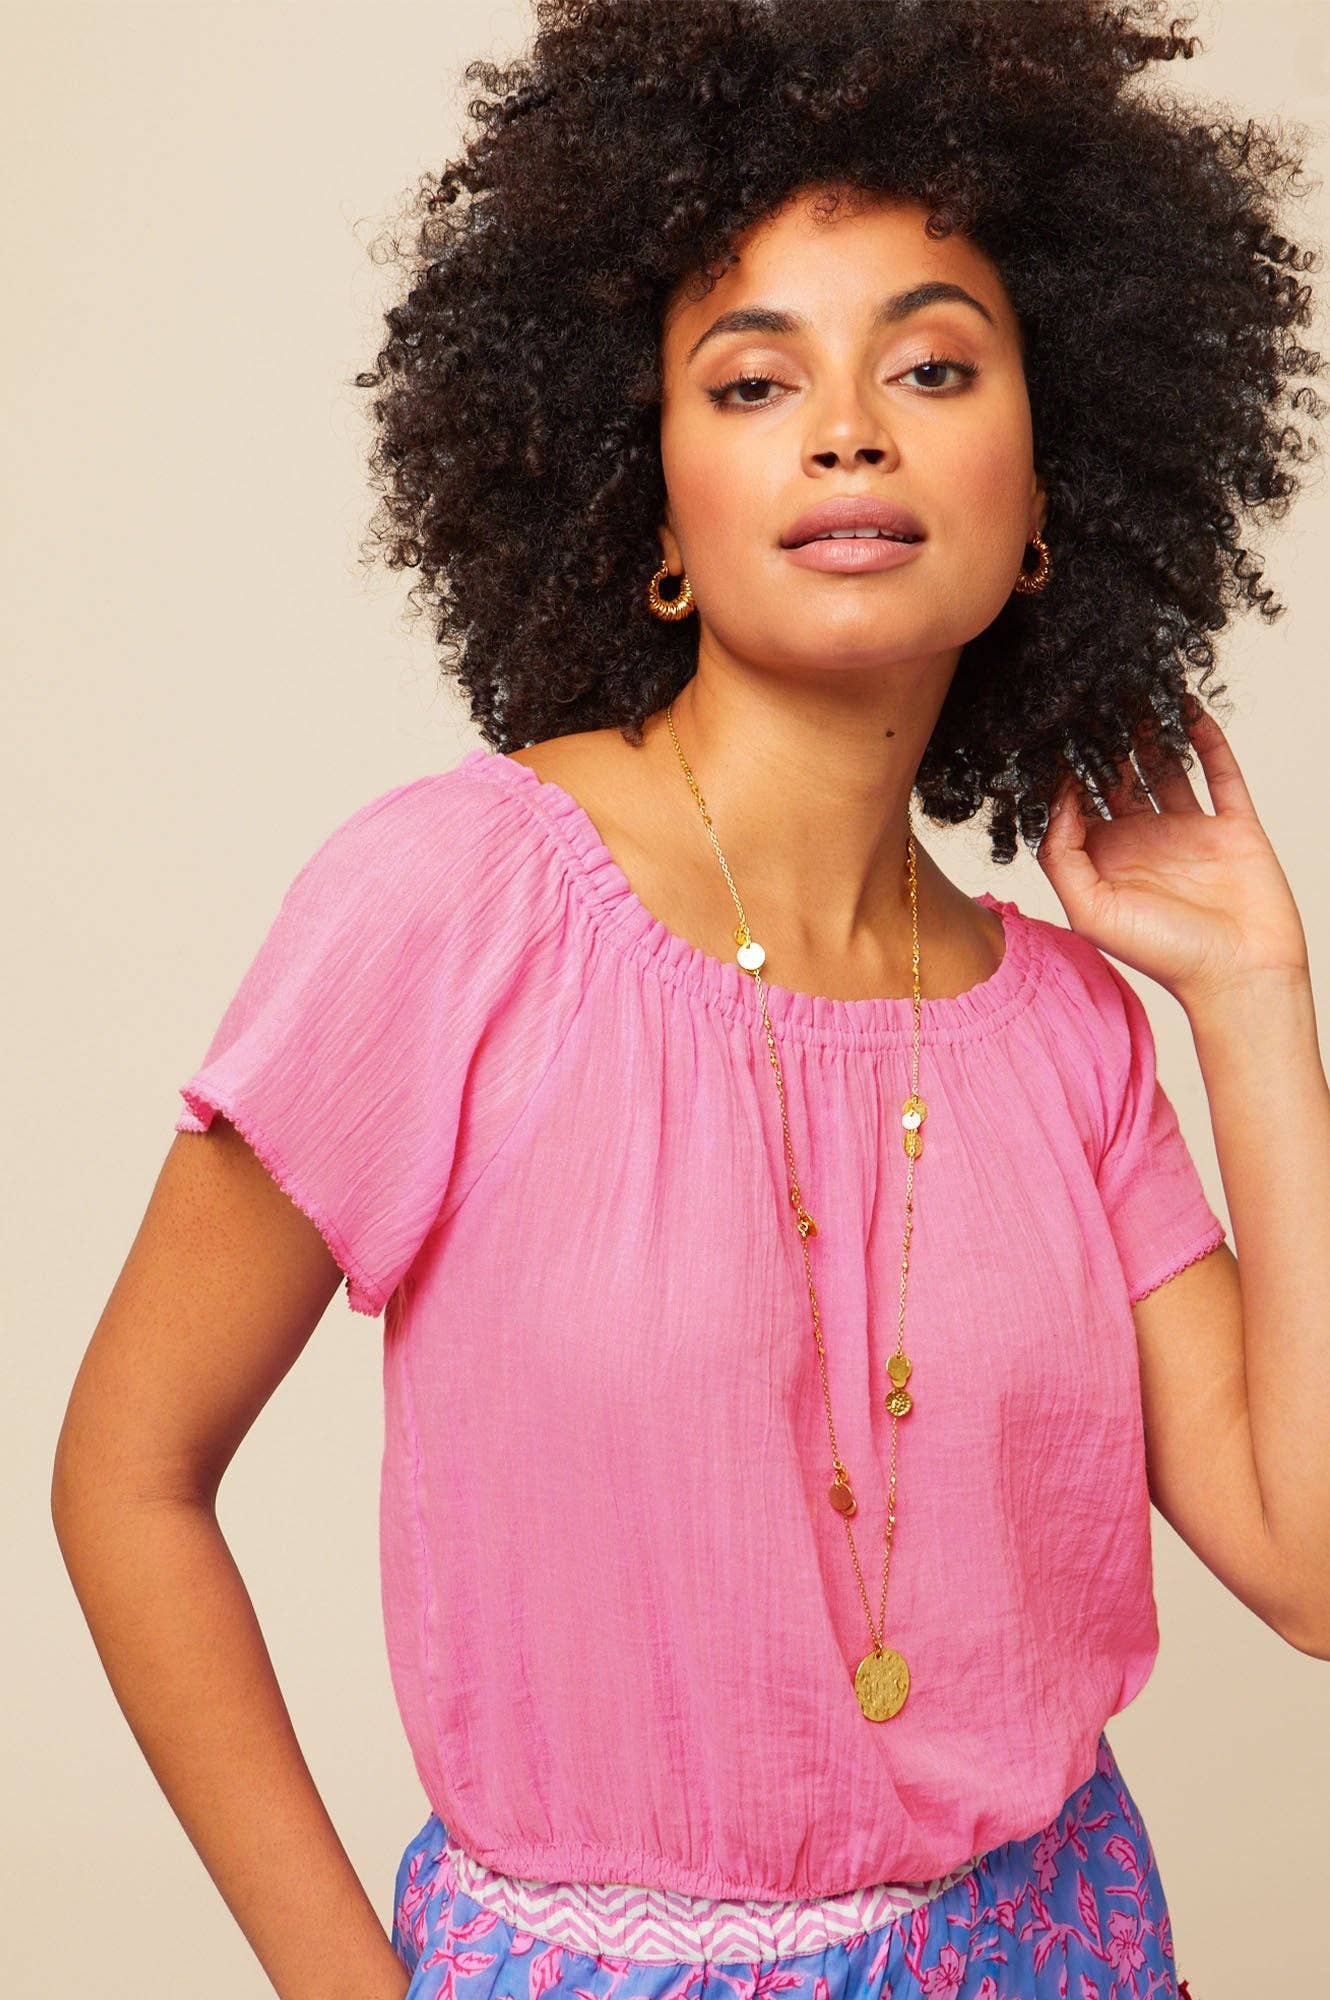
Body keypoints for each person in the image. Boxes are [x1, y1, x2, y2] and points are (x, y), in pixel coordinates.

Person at [52, 3, 1330, 1996]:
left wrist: (1250, 997)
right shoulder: (456, 904)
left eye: (931, 364)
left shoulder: (1068, 1033)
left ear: (1043, 492)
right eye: (750, 379)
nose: (850, 429)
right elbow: (127, 1477)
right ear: (647, 502)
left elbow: (1310, 1566)